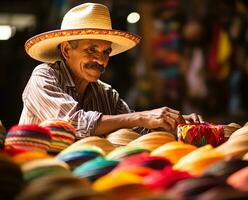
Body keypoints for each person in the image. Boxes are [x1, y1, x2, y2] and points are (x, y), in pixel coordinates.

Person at [19, 3, 202, 138]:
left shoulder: (106, 93)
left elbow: (140, 130)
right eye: (91, 50)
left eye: (106, 52)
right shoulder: (44, 76)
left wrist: (177, 122)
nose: (101, 60)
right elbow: (71, 123)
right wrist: (141, 117)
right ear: (67, 50)